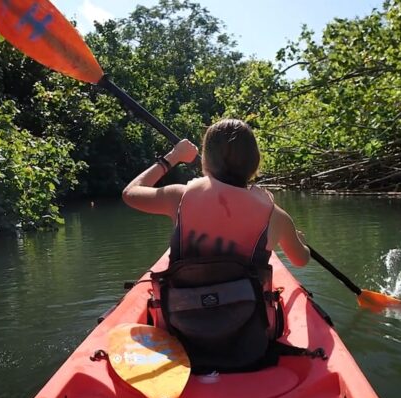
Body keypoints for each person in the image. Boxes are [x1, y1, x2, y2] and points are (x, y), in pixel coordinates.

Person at [122, 118, 310, 373]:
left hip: (180, 334)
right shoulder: (276, 216)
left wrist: (172, 157)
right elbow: (301, 260)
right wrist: (299, 239)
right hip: (247, 340)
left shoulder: (179, 197)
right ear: (254, 163)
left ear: (206, 162)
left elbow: (130, 193)